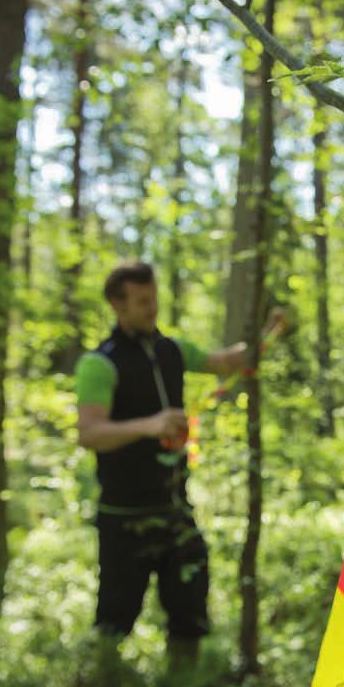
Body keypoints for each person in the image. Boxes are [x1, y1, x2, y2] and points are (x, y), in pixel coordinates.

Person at [75, 259, 282, 666]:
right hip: (123, 513)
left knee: (188, 604)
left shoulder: (172, 349)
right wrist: (150, 425)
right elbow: (90, 434)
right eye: (142, 302)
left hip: (174, 507)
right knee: (115, 616)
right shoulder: (100, 363)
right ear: (118, 306)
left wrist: (272, 332)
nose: (153, 308)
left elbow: (227, 362)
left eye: (154, 298)